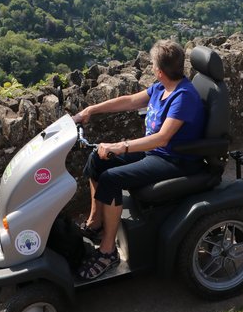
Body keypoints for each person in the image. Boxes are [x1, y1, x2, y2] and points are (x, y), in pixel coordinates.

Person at [71, 40, 207, 280]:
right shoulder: (161, 87)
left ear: (159, 70)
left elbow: (162, 139)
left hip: (174, 161)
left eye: (153, 65)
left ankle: (107, 252)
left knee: (112, 178)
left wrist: (120, 147)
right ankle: (95, 222)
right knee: (97, 159)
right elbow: (131, 101)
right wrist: (91, 110)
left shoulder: (183, 96)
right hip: (156, 153)